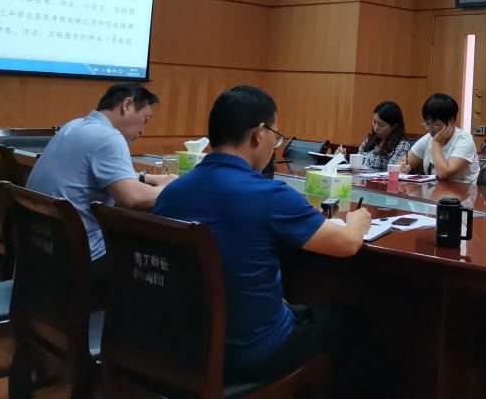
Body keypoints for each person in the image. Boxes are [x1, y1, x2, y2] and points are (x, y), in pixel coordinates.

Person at [153, 85, 371, 385]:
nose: (274, 144)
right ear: (258, 133)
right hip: (249, 354)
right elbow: (347, 243)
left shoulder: (171, 193)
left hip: (179, 347)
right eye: (275, 136)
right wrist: (358, 220)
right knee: (350, 322)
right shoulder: (269, 194)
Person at [26, 82, 176, 274]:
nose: (142, 131)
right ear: (127, 105)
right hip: (79, 259)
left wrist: (153, 179)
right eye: (145, 120)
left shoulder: (72, 126)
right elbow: (132, 198)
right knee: (158, 255)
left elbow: (103, 175)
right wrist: (172, 188)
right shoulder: (109, 137)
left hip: (41, 249)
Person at [403, 93, 480, 184]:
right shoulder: (428, 138)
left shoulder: (465, 141)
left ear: (451, 120)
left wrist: (436, 144)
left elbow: (444, 174)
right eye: (428, 124)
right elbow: (404, 162)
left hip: (462, 192)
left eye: (436, 125)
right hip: (433, 191)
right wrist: (403, 167)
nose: (431, 130)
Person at [357, 100, 411, 171]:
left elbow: (393, 170)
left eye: (381, 125)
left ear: (394, 126)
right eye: (374, 122)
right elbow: (357, 162)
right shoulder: (370, 140)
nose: (376, 127)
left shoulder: (402, 145)